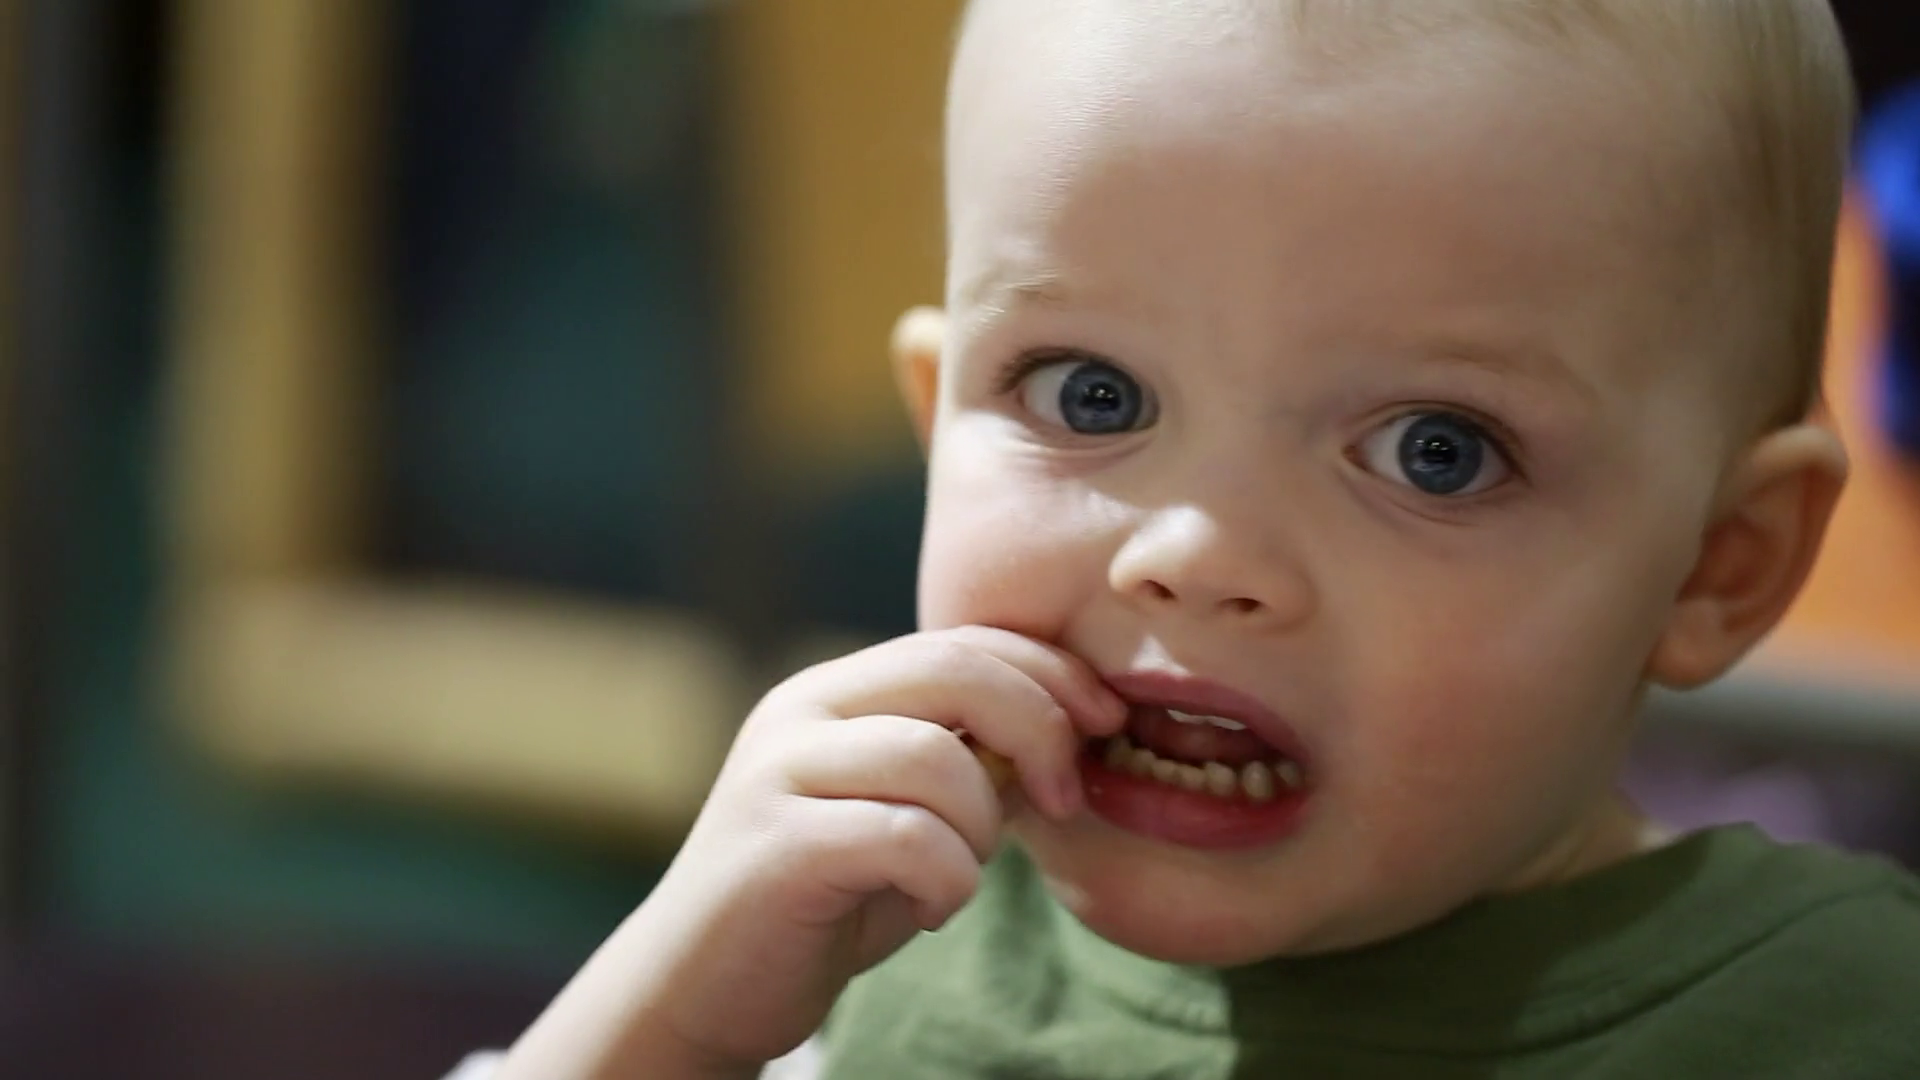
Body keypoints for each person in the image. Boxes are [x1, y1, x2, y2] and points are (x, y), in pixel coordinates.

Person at [465, 1, 1920, 1076]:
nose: (1193, 553)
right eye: (1091, 396)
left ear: (1722, 562)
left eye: (1435, 451)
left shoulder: (1847, 1017)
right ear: (938, 422)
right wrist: (664, 1022)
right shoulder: (879, 955)